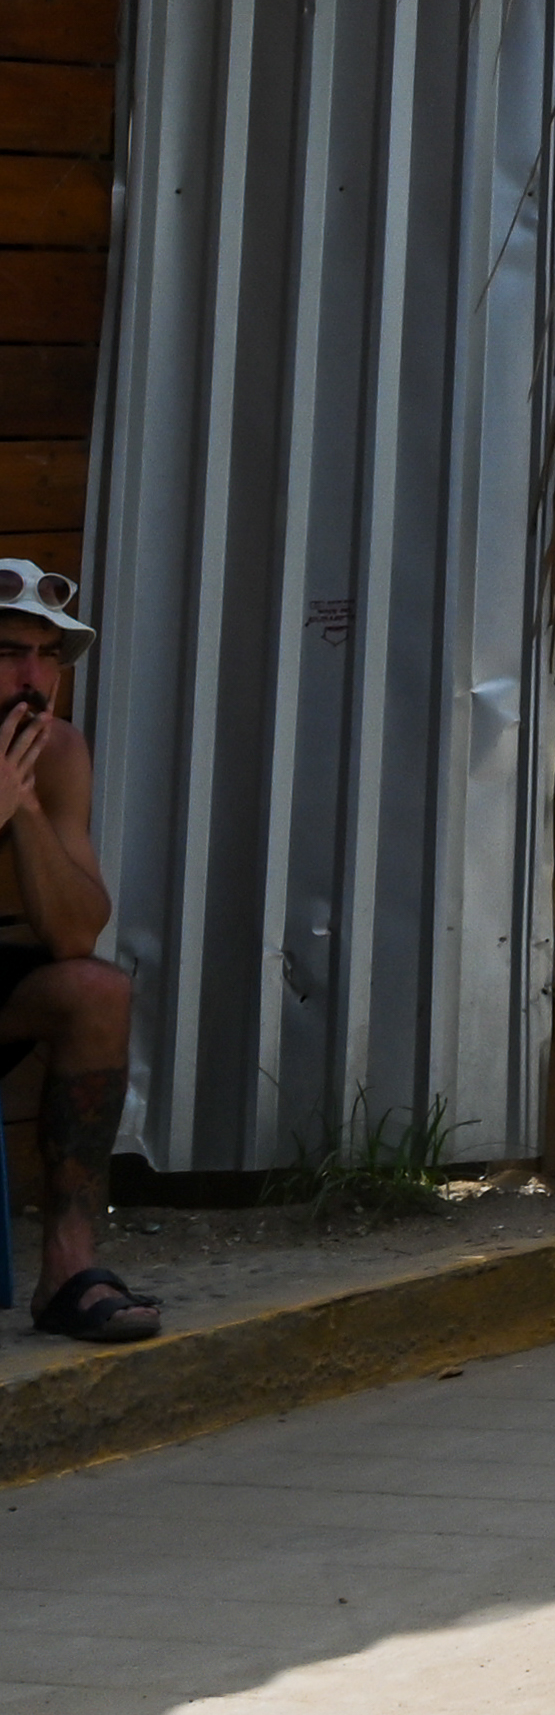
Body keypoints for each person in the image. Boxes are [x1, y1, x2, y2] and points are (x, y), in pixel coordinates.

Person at [0, 562, 150, 1344]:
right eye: (8, 653)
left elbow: (74, 934)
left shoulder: (53, 750)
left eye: (48, 655)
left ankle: (67, 1270)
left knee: (97, 990)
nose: (33, 679)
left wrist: (22, 808)